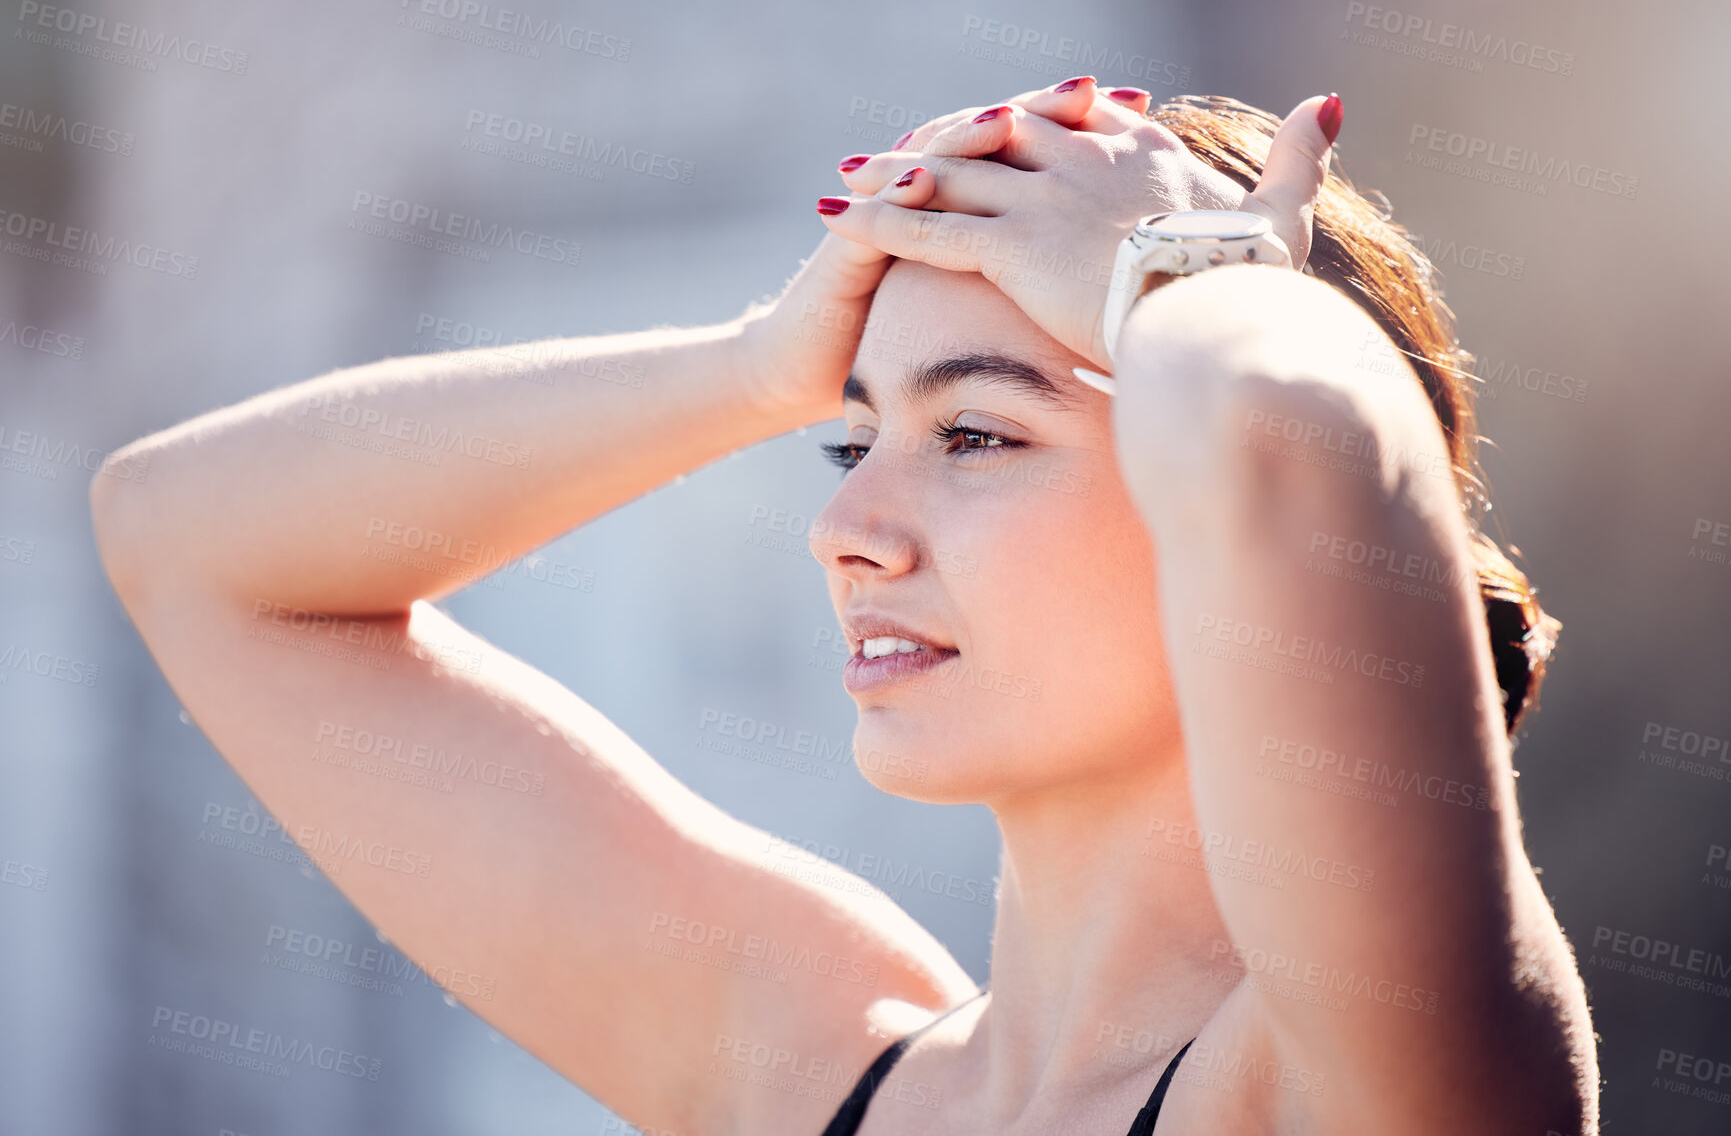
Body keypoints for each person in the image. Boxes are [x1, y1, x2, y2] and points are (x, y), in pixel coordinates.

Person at [90, 79, 1599, 1134]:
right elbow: (188, 541)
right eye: (849, 437)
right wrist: (755, 363)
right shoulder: (804, 1062)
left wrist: (1172, 274)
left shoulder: (1369, 1070)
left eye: (980, 435)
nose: (845, 530)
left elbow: (1306, 446)